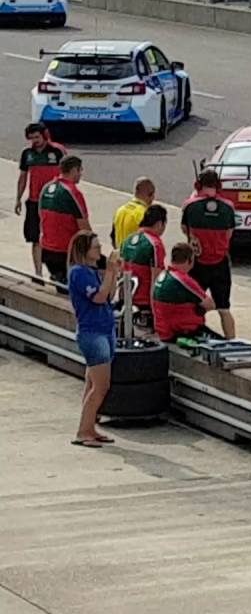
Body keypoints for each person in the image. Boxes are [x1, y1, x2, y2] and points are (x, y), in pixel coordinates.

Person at [66, 231, 120, 449]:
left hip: (104, 329)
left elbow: (109, 294)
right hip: (92, 332)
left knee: (92, 384)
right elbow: (98, 297)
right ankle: (83, 430)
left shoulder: (92, 271)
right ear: (84, 250)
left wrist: (113, 273)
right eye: (96, 247)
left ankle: (89, 426)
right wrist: (108, 271)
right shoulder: (79, 273)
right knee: (101, 385)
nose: (99, 250)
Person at [181, 169, 237, 339]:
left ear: (198, 185)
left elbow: (185, 230)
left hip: (196, 263)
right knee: (224, 309)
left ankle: (195, 336)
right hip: (220, 263)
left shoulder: (189, 205)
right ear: (218, 185)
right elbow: (229, 233)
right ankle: (232, 342)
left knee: (194, 306)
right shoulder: (228, 207)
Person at [15, 122, 66, 279]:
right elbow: (23, 177)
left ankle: (58, 272)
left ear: (44, 135)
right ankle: (38, 274)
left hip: (54, 203)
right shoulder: (27, 154)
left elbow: (67, 175)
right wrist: (18, 198)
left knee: (55, 237)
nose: (35, 141)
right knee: (35, 238)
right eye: (31, 138)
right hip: (34, 201)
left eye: (37, 137)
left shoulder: (58, 151)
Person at [152, 242, 221, 342]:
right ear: (190, 260)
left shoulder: (164, 275)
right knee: (224, 343)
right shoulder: (182, 280)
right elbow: (210, 305)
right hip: (182, 332)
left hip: (163, 330)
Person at [38, 156, 90, 285]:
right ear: (74, 171)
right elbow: (84, 228)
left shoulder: (46, 189)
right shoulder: (73, 192)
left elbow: (41, 216)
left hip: (47, 250)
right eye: (80, 171)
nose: (80, 175)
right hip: (65, 252)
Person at [119, 205, 168, 327]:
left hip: (127, 300)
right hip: (144, 304)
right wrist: (157, 313)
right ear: (159, 224)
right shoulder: (155, 244)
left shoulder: (127, 240)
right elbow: (155, 281)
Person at [112, 176, 155, 250]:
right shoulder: (144, 213)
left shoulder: (120, 211)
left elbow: (113, 237)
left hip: (120, 255)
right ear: (150, 194)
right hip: (135, 258)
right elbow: (150, 241)